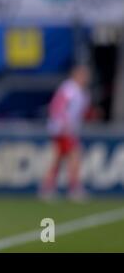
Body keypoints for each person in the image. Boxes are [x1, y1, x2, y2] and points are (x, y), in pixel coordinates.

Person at [40, 65, 91, 201]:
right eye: (83, 75)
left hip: (69, 130)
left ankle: (48, 188)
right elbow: (56, 107)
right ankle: (74, 188)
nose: (85, 78)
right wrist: (65, 124)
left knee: (58, 159)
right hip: (62, 129)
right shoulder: (69, 88)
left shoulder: (82, 92)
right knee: (74, 156)